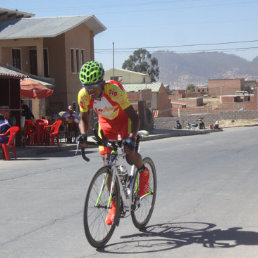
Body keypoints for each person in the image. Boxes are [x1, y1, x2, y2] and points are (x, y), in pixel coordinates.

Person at [77, 61, 150, 226]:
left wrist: (130, 138)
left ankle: (143, 173)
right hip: (106, 125)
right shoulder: (83, 95)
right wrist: (82, 135)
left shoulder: (114, 91)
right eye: (87, 88)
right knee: (108, 165)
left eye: (93, 89)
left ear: (101, 83)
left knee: (130, 153)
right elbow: (84, 118)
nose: (90, 93)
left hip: (125, 122)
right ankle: (114, 206)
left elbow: (135, 117)